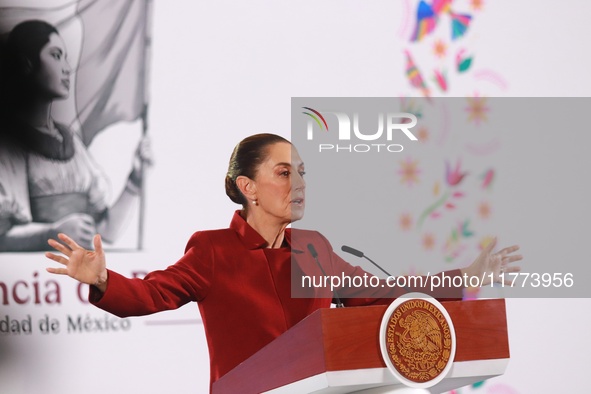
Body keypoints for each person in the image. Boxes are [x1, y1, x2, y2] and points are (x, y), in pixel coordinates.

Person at [45, 133, 521, 391]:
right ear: (247, 187)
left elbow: (381, 293)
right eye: (283, 173)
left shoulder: (313, 247)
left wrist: (463, 276)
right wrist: (104, 279)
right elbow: (153, 294)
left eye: (303, 173)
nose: (299, 183)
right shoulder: (213, 250)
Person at [0, 20, 151, 252]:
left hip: (73, 281)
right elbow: (3, 237)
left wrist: (135, 180)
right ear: (26, 64)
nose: (67, 68)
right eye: (56, 55)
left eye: (66, 57)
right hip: (33, 282)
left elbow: (107, 231)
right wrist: (51, 235)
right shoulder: (10, 145)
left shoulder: (70, 143)